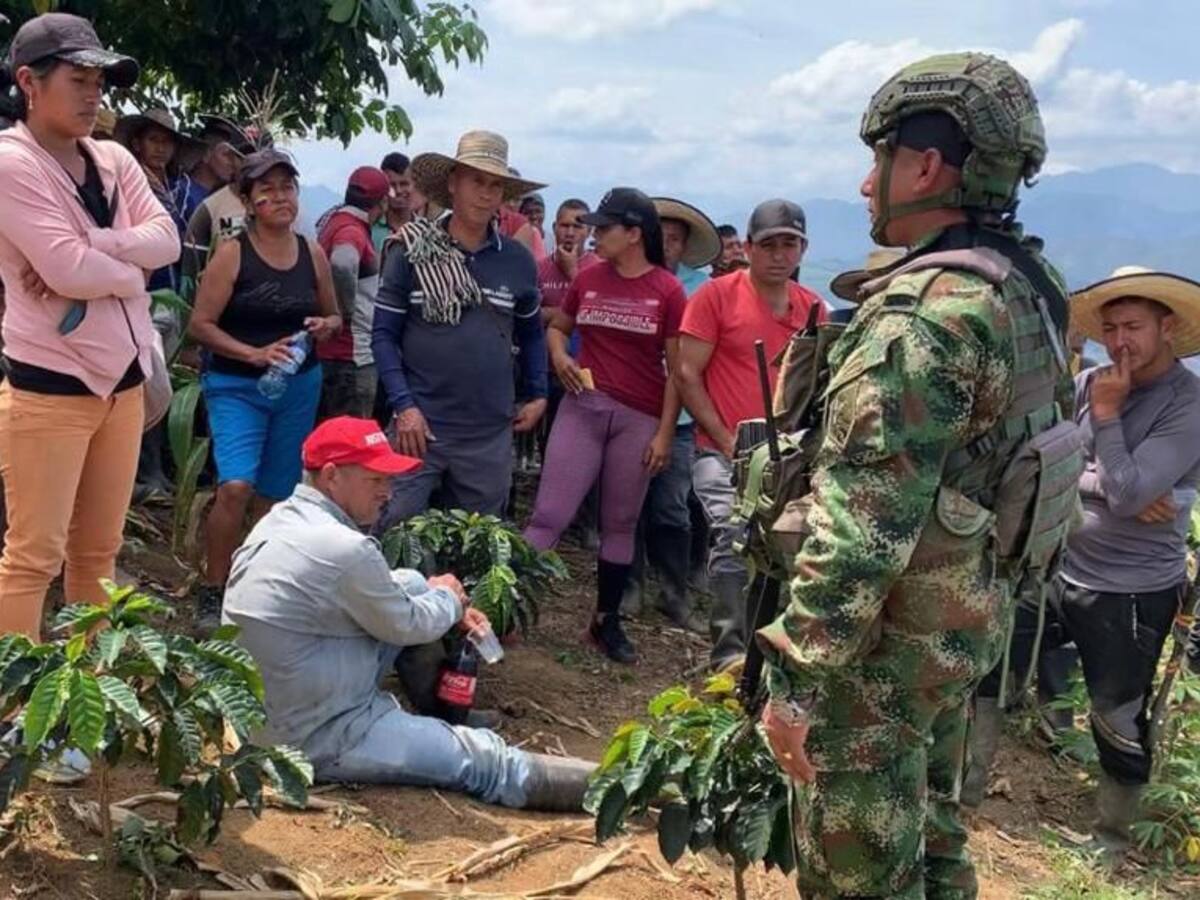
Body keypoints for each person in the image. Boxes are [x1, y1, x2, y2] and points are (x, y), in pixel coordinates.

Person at [755, 54, 1070, 898]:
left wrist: (795, 681)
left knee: (857, 870)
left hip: (879, 657)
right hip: (958, 632)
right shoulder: (1029, 289)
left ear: (926, 167)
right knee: (930, 838)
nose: (865, 188)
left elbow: (865, 524)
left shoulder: (924, 317)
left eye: (880, 161)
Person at [222, 416, 594, 809]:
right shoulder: (345, 549)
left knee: (417, 586)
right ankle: (628, 787)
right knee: (483, 760)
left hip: (267, 716)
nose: (388, 492)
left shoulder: (280, 521)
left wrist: (434, 591)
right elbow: (408, 622)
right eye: (376, 480)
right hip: (318, 736)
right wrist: (452, 601)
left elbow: (389, 597)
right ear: (331, 476)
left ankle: (439, 708)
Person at [0, 12, 178, 780]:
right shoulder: (10, 163)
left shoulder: (109, 159)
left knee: (96, 555)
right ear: (28, 84)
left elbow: (164, 243)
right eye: (78, 79)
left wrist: (104, 256)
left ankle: (80, 703)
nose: (93, 94)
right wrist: (119, 264)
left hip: (122, 382)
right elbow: (66, 272)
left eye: (99, 80)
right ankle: (20, 717)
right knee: (32, 556)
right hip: (48, 388)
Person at [1004, 266, 1200, 860]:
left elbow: (1129, 495)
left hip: (1132, 589)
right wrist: (1109, 483)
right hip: (1057, 565)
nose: (1120, 341)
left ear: (1167, 328)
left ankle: (1113, 843)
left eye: (1134, 326)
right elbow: (1045, 465)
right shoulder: (1086, 382)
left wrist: (1110, 420)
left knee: (1118, 713)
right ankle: (968, 793)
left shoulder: (1186, 404)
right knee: (993, 667)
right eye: (1110, 327)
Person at [524, 188, 686, 664]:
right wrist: (558, 357)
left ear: (634, 234)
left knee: (620, 522)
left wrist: (663, 433)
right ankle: (503, 610)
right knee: (548, 516)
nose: (594, 234)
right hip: (583, 407)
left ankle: (605, 622)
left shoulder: (667, 291)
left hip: (639, 417)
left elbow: (678, 370)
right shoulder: (591, 277)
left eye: (605, 227)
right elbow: (559, 327)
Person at [188, 149, 341, 631]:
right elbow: (200, 324)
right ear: (249, 201)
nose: (280, 197)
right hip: (236, 386)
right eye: (267, 189)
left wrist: (324, 325)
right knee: (235, 487)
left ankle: (254, 586)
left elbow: (336, 316)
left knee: (276, 494)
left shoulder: (310, 251)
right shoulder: (233, 253)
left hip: (298, 385)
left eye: (288, 187)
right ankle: (213, 588)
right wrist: (252, 354)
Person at [372, 131, 548, 528]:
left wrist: (538, 393)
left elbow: (532, 332)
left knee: (478, 541)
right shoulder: (412, 251)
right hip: (419, 427)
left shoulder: (518, 262)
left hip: (488, 433)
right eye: (475, 181)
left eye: (495, 184)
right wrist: (404, 407)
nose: (485, 194)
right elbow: (383, 335)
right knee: (390, 526)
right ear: (452, 184)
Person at [676, 199, 825, 669]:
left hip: (786, 456)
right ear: (748, 247)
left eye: (790, 244)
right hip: (722, 449)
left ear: (802, 248)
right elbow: (686, 373)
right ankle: (730, 653)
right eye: (769, 245)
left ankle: (771, 654)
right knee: (731, 535)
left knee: (784, 545)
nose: (779, 255)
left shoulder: (812, 309)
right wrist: (723, 437)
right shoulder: (717, 296)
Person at [620, 197, 721, 631]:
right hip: (631, 410)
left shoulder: (701, 289)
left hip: (680, 422)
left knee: (673, 508)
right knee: (626, 506)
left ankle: (674, 592)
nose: (668, 246)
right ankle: (629, 587)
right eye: (662, 237)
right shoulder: (629, 280)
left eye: (676, 239)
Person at [316, 166, 389, 420]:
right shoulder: (352, 229)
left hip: (332, 353)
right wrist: (344, 312)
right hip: (351, 355)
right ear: (382, 203)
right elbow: (343, 262)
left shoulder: (332, 222)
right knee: (352, 446)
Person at [179, 119, 265, 302]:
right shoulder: (209, 209)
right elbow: (190, 274)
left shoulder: (284, 208)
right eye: (244, 157)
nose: (252, 165)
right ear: (232, 159)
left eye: (260, 158)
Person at [372, 151, 413, 256]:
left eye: (404, 184)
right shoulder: (369, 229)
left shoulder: (425, 230)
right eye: (392, 185)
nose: (398, 191)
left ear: (413, 185)